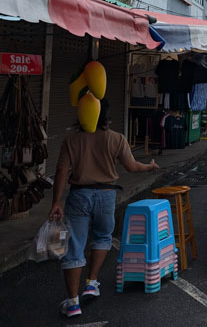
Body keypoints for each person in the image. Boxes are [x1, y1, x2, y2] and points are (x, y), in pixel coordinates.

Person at [49, 100, 159, 318]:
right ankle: (91, 283)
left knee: (75, 246)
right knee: (101, 237)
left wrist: (56, 202)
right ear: (106, 118)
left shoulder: (72, 140)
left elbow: (61, 172)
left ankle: (72, 303)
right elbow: (132, 166)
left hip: (79, 195)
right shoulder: (116, 138)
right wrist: (150, 166)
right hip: (107, 195)